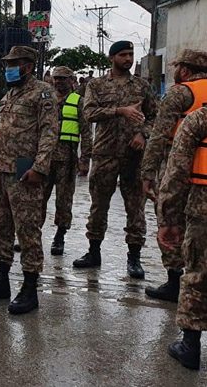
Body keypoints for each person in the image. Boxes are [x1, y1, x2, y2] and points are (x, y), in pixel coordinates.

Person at [0, 46, 59, 314]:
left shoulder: (42, 93)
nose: (10, 68)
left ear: (29, 66)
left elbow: (49, 132)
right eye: (8, 63)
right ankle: (1, 281)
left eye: (15, 63)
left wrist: (40, 167)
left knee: (27, 229)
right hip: (1, 169)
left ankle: (30, 288)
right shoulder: (9, 95)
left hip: (25, 170)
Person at [73, 40, 157, 279]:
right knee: (98, 206)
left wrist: (143, 133)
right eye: (123, 55)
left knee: (136, 209)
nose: (128, 59)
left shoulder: (142, 86)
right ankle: (93, 252)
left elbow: (155, 117)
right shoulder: (97, 85)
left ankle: (134, 258)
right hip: (105, 154)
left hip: (134, 157)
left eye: (131, 54)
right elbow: (88, 114)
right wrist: (119, 110)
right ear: (112, 58)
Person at [142, 49, 207, 302]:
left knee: (170, 223)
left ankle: (174, 281)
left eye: (177, 67)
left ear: (186, 70)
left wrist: (147, 172)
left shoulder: (181, 92)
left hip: (178, 169)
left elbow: (159, 136)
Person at [159, 106, 207, 370]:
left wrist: (169, 218)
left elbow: (176, 171)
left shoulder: (200, 118)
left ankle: (190, 344)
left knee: (197, 274)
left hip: (203, 208)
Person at [43, 66, 92, 256]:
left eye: (63, 78)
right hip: (45, 159)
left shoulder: (78, 102)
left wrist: (85, 159)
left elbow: (86, 132)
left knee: (64, 201)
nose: (58, 82)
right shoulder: (46, 100)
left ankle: (59, 237)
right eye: (56, 78)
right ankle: (31, 235)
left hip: (67, 159)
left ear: (71, 80)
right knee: (37, 199)